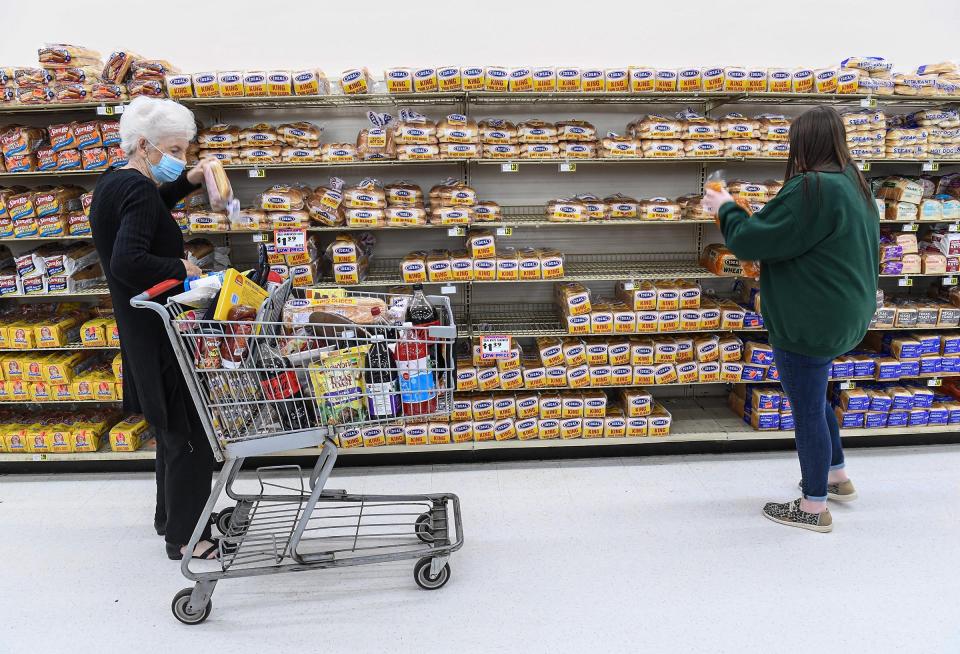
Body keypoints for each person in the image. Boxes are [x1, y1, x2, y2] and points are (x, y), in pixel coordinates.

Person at [702, 106, 879, 533]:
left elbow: (748, 240)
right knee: (816, 396)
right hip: (847, 312)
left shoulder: (810, 187)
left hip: (810, 318)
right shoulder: (854, 182)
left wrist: (726, 208)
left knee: (805, 411)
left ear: (803, 144)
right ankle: (836, 476)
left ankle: (812, 507)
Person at [90, 96, 220, 560]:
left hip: (138, 325)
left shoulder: (115, 181)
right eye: (175, 150)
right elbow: (130, 259)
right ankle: (188, 537)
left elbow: (146, 207)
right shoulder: (139, 191)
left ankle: (170, 518)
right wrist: (182, 267)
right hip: (161, 329)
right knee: (190, 433)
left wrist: (187, 181)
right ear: (144, 144)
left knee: (168, 430)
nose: (181, 158)